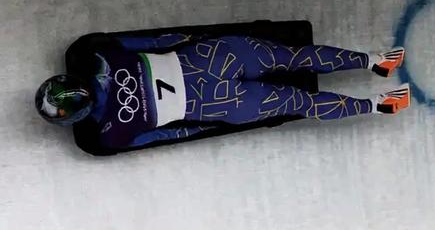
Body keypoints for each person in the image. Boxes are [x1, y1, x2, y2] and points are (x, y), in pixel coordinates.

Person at [35, 33, 410, 149]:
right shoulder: (108, 127)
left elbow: (170, 134)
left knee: (297, 93)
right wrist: (193, 40)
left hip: (212, 87)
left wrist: (205, 126)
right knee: (295, 75)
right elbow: (159, 39)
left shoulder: (103, 67)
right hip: (210, 65)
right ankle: (372, 73)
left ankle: (374, 96)